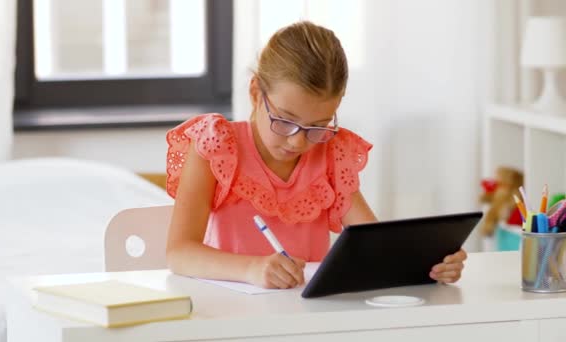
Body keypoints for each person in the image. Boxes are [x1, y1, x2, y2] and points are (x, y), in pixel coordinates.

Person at [165, 21, 466, 289]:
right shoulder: (215, 145)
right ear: (256, 94)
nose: (298, 142)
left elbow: (376, 242)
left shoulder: (331, 154)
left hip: (307, 320)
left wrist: (430, 262)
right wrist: (253, 268)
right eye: (284, 121)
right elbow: (179, 253)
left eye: (318, 126)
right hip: (231, 317)